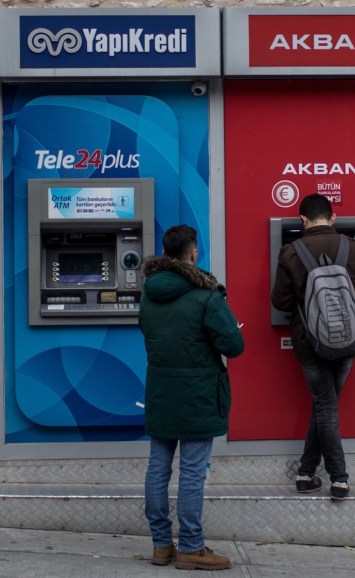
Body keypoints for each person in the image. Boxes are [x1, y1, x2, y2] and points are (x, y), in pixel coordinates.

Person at [139, 225, 244, 570]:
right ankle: (191, 547)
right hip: (198, 393)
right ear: (194, 254)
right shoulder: (207, 295)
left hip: (161, 389)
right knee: (192, 472)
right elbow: (233, 345)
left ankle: (160, 545)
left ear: (166, 254)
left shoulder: (148, 293)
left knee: (158, 468)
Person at [271, 194, 355, 500]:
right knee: (326, 407)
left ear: (302, 220)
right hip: (347, 340)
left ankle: (335, 478)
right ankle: (310, 474)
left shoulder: (291, 252)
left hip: (310, 343)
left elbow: (280, 302)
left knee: (324, 407)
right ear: (332, 218)